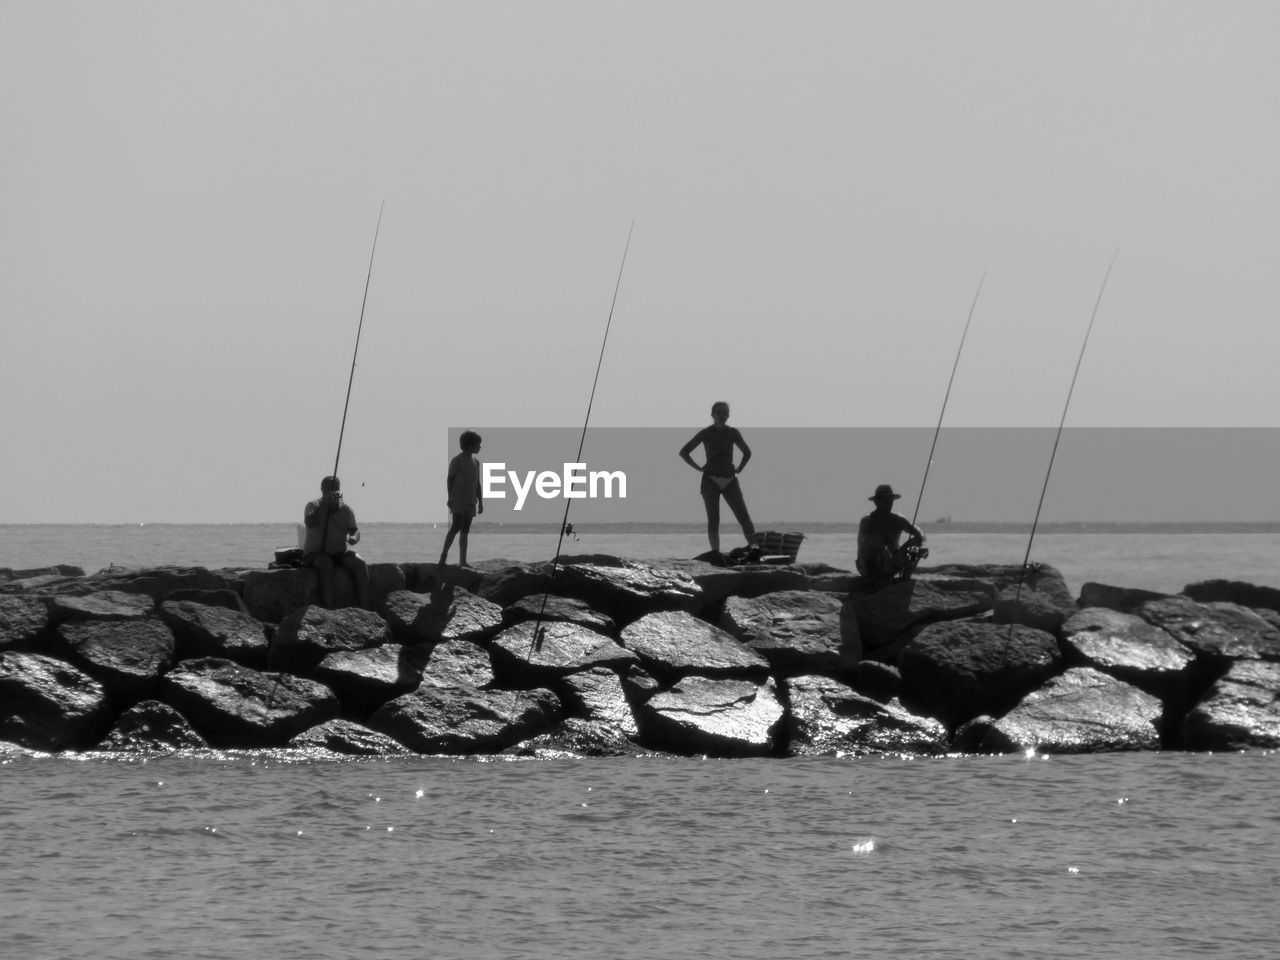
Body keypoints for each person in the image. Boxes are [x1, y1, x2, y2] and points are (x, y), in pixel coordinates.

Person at [679, 401, 757, 554]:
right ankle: (715, 551)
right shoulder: (706, 433)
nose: (722, 416)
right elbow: (684, 452)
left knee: (743, 516)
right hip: (710, 481)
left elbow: (747, 452)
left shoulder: (733, 432)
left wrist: (740, 468)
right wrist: (698, 467)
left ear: (728, 415)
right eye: (719, 412)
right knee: (714, 519)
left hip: (729, 480)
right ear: (712, 414)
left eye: (725, 413)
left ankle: (755, 548)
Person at [302, 475, 370, 608]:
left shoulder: (346, 510)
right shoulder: (313, 505)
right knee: (325, 563)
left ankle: (365, 606)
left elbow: (355, 530)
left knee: (359, 563)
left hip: (339, 553)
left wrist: (354, 538)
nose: (332, 492)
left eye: (335, 489)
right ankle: (329, 607)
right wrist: (324, 506)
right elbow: (309, 522)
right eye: (329, 489)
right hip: (315, 554)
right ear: (322, 489)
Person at [856, 483, 927, 582]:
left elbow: (918, 531)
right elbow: (868, 538)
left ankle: (905, 578)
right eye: (884, 500)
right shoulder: (868, 520)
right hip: (869, 565)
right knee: (873, 552)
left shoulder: (898, 519)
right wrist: (884, 551)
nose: (888, 504)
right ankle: (874, 578)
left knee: (915, 545)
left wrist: (923, 545)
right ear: (876, 502)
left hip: (892, 563)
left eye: (890, 501)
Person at [440, 430, 483, 567]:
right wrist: (450, 497)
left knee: (465, 530)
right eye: (478, 444)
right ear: (470, 445)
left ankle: (462, 561)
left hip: (471, 500)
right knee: (455, 527)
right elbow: (450, 479)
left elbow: (477, 483)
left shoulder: (476, 463)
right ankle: (443, 556)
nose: (480, 447)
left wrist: (480, 501)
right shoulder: (457, 460)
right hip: (458, 499)